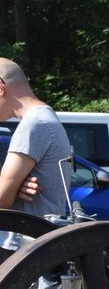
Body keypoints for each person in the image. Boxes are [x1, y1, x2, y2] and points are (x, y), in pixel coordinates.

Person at [0, 58, 71, 217]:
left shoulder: (33, 125)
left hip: (24, 239)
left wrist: (8, 188)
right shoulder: (46, 118)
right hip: (38, 236)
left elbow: (2, 199)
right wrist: (15, 187)